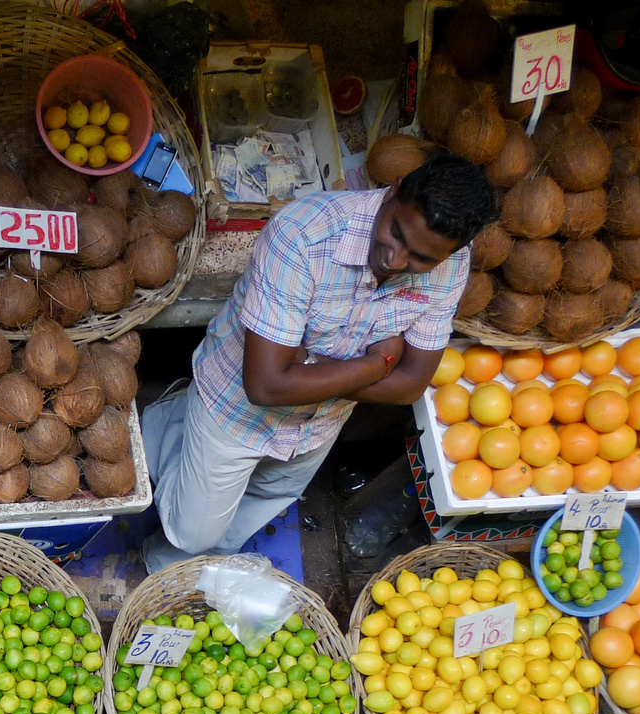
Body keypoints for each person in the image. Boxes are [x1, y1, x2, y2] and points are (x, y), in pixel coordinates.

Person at [141, 153, 498, 572]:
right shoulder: (303, 234)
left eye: (421, 259)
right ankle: (171, 422)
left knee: (265, 500)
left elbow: (411, 385)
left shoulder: (452, 262)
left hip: (319, 426)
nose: (397, 261)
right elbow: (265, 386)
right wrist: (376, 364)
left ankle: (170, 566)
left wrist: (306, 370)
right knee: (193, 533)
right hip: (235, 406)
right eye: (396, 232)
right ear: (394, 189)